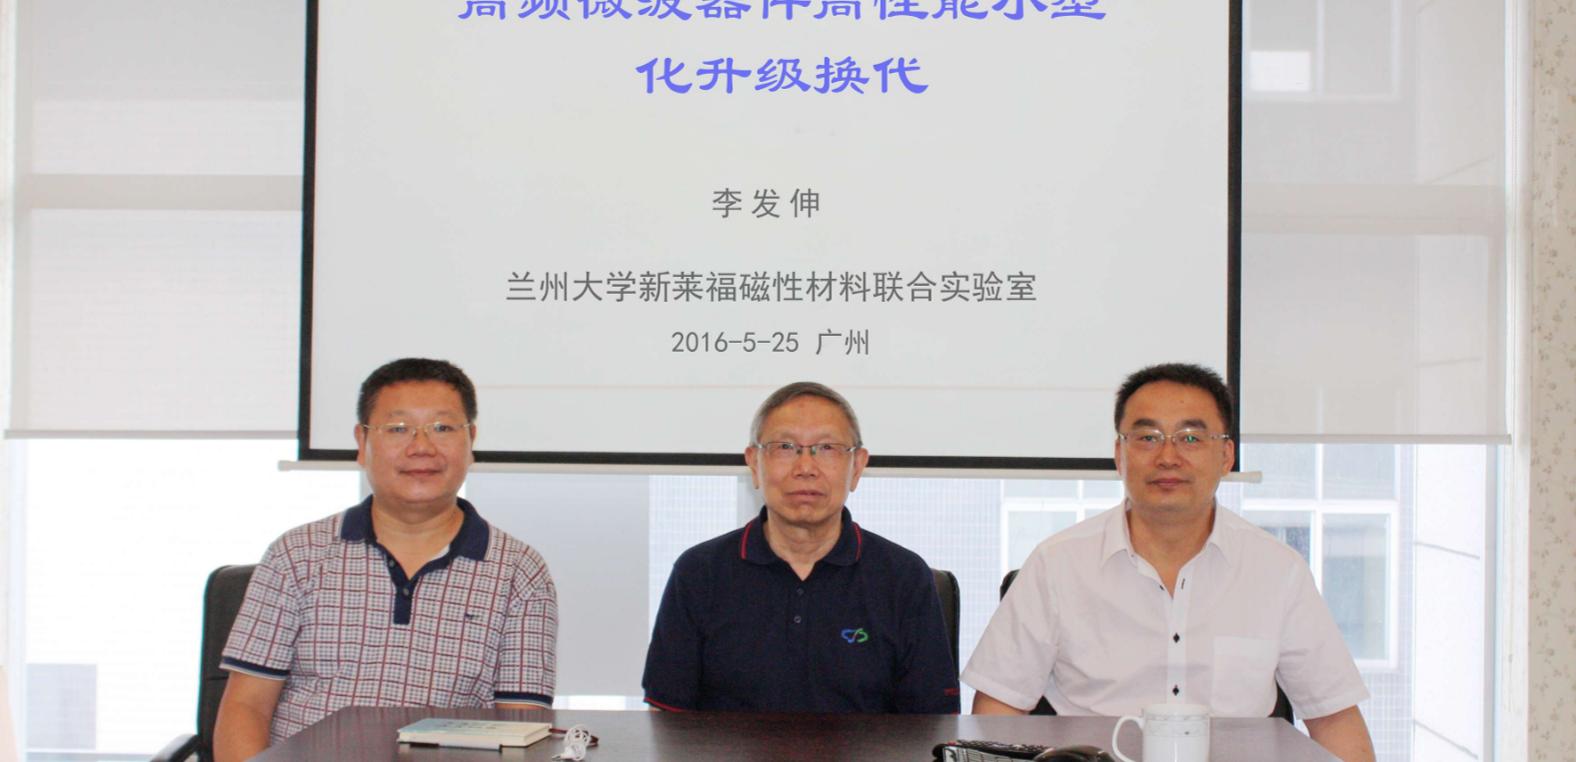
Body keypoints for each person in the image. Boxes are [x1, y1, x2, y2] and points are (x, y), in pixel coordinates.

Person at [964, 363, 1376, 762]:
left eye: (1190, 438)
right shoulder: (1057, 565)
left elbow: (1334, 718)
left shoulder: (1277, 570)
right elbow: (998, 709)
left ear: (1226, 455)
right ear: (1119, 454)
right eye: (1147, 438)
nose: (1168, 456)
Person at [212, 358, 557, 760]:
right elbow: (246, 707)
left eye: (443, 428)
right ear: (362, 442)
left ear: (471, 440)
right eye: (398, 429)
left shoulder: (519, 572)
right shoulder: (297, 555)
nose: (421, 447)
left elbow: (519, 729)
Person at [641, 381, 960, 713]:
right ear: (754, 463)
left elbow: (931, 726)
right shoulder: (699, 573)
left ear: (857, 466)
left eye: (827, 448)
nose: (805, 468)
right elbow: (667, 723)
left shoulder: (904, 578)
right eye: (785, 447)